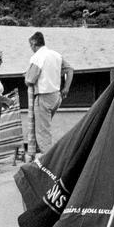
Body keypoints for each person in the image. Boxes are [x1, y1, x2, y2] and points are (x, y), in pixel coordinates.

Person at [23, 31, 73, 161]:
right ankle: (41, 157)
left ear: (34, 43)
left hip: (43, 96)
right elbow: (70, 70)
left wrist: (26, 75)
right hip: (56, 96)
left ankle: (48, 161)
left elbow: (30, 80)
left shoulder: (37, 56)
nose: (31, 48)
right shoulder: (56, 54)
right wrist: (66, 88)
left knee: (42, 132)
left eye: (31, 45)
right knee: (43, 128)